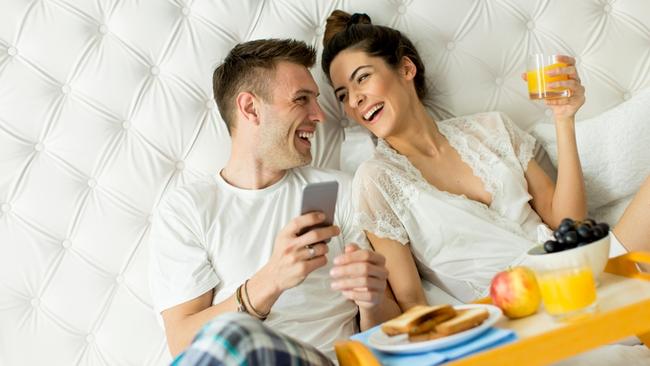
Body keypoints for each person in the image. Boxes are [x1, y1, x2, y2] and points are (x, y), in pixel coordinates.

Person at [320, 10, 650, 310]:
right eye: (343, 95)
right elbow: (411, 301)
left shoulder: (492, 127)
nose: (355, 100)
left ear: (406, 68)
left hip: (578, 276)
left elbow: (569, 224)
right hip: (512, 316)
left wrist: (564, 119)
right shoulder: (376, 179)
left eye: (362, 78)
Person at [149, 38, 401, 365]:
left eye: (316, 100)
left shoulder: (340, 190)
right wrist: (270, 281)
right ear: (250, 108)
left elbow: (391, 331)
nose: (319, 116)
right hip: (240, 357)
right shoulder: (187, 210)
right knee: (233, 338)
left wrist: (371, 300)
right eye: (301, 100)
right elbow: (183, 346)